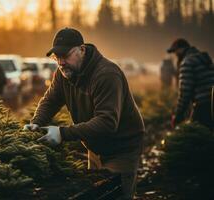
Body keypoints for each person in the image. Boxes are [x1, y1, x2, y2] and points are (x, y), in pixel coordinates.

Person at [23, 27, 145, 200]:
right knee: (96, 192)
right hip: (95, 146)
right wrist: (36, 122)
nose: (61, 62)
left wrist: (62, 133)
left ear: (82, 49)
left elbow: (107, 122)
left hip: (122, 148)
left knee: (114, 192)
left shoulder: (106, 74)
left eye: (65, 56)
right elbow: (50, 100)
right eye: (57, 58)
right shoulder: (62, 73)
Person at [167, 38, 214, 129]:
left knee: (196, 132)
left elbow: (185, 93)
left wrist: (178, 115)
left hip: (202, 106)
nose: (175, 55)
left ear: (181, 49)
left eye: (175, 52)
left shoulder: (187, 62)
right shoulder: (205, 58)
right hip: (212, 101)